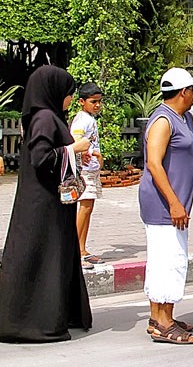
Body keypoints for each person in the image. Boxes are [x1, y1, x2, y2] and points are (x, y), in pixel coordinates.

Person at [0, 66, 93, 343]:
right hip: (44, 207)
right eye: (68, 93)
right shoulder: (45, 118)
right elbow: (40, 159)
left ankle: (59, 314)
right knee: (43, 257)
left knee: (56, 256)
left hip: (49, 204)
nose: (70, 98)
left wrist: (74, 156)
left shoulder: (49, 117)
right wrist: (73, 149)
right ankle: (32, 321)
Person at [139, 67, 193, 345]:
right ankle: (164, 324)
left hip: (175, 202)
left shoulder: (183, 117)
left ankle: (158, 318)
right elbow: (153, 163)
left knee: (162, 259)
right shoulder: (163, 120)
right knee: (171, 260)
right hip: (164, 203)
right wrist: (174, 203)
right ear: (184, 92)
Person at [71, 82, 105, 270]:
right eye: (93, 101)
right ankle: (75, 251)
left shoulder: (90, 118)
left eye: (99, 101)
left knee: (88, 208)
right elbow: (76, 140)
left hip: (91, 170)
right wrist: (91, 154)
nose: (97, 105)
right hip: (84, 171)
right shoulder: (82, 120)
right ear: (82, 101)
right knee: (84, 209)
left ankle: (82, 249)